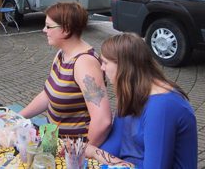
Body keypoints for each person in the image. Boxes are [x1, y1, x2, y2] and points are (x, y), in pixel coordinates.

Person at [85, 33, 198, 168]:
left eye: (105, 62)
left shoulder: (162, 107)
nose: (101, 68)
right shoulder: (130, 92)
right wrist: (85, 152)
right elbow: (116, 142)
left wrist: (95, 152)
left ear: (123, 66)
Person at [19, 2, 111, 145]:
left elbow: (103, 120)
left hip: (71, 150)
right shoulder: (62, 54)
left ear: (66, 29)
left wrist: (83, 153)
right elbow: (48, 94)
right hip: (52, 138)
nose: (44, 30)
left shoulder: (84, 64)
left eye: (49, 26)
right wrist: (17, 117)